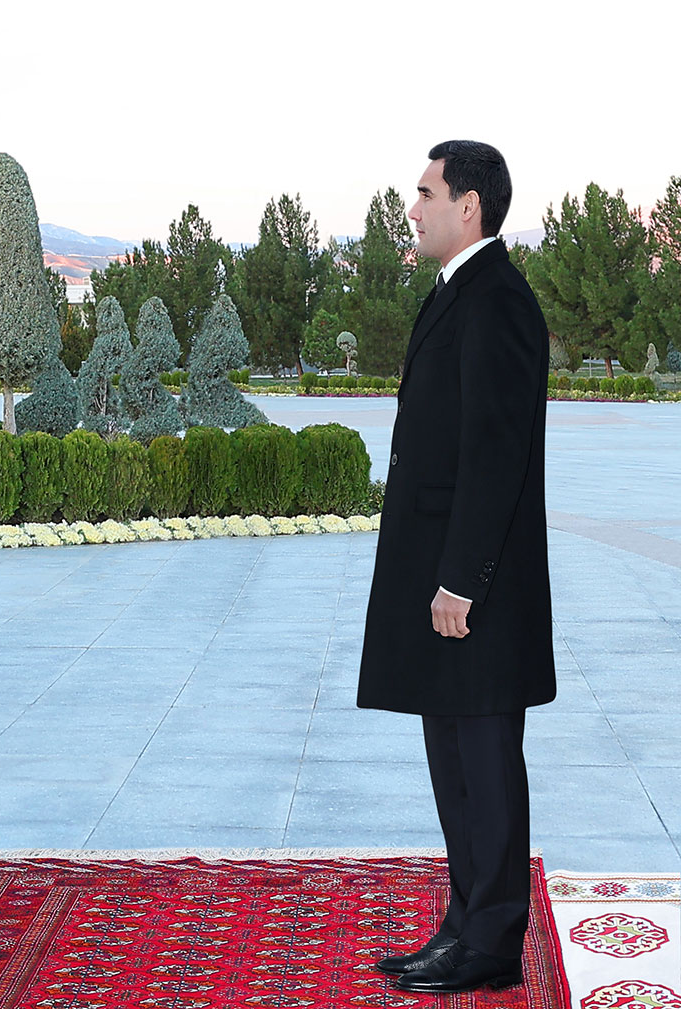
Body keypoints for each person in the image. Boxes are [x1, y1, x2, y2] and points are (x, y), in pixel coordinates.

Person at [357, 140, 555, 994]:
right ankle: (463, 921)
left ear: (468, 205)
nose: (413, 207)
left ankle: (493, 942)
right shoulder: (455, 293)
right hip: (445, 580)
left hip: (478, 589)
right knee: (454, 765)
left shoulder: (498, 301)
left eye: (425, 192)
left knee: (485, 762)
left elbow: (497, 452)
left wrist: (462, 580)